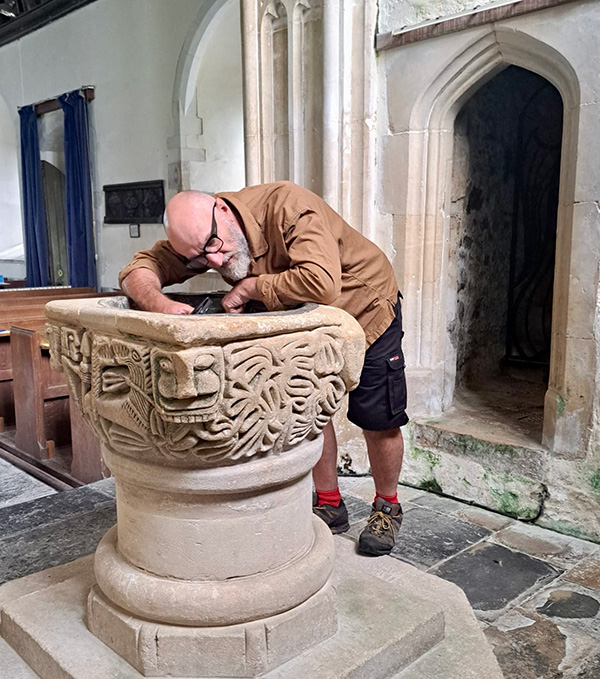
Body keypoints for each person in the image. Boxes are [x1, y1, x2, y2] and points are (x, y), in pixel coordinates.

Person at [119, 181, 408, 556]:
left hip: (366, 309)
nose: (216, 262)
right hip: (309, 323)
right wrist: (158, 304)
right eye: (201, 260)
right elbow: (137, 270)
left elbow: (321, 283)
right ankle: (330, 504)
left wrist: (251, 288)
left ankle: (387, 507)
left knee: (377, 417)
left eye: (214, 246)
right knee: (311, 411)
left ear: (222, 210)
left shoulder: (288, 206)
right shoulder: (200, 237)